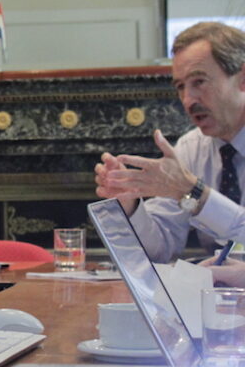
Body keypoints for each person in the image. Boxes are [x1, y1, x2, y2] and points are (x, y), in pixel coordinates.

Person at [95, 21, 245, 264]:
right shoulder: (191, 148)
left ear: (242, 79)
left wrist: (195, 193)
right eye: (180, 86)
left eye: (199, 82)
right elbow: (160, 247)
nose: (188, 100)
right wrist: (131, 205)